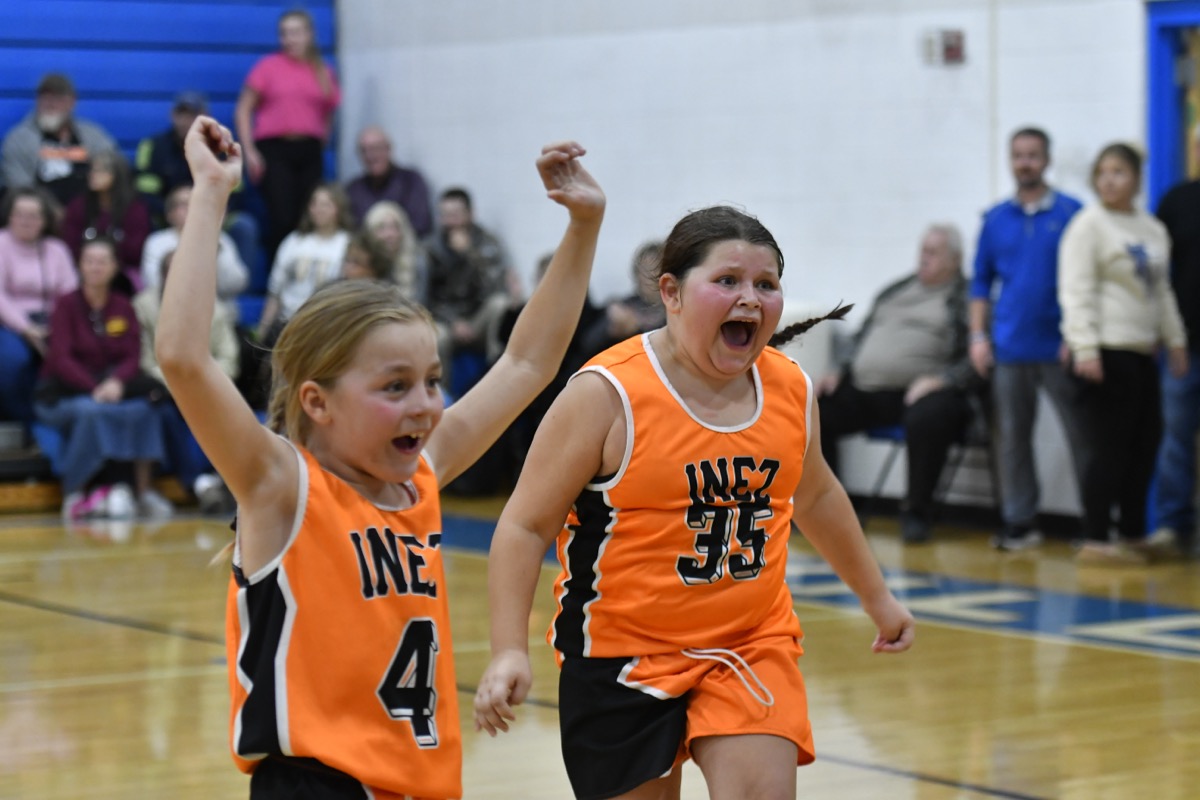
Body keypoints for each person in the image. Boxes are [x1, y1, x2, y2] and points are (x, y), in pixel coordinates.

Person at [155, 117, 605, 798]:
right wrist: (212, 192)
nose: (425, 404)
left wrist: (582, 229)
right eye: (394, 387)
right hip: (317, 783)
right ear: (317, 401)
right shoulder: (282, 488)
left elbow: (527, 360)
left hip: (417, 782)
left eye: (429, 381)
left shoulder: (421, 475)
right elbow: (183, 360)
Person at [473, 205, 913, 800]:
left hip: (750, 642)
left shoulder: (790, 388)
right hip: (622, 654)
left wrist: (879, 599)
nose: (750, 298)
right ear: (671, 293)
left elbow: (816, 494)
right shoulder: (607, 394)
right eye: (727, 281)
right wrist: (507, 651)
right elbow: (525, 525)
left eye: (766, 284)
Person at [1059, 142, 1189, 565]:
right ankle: (1095, 536)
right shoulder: (1088, 226)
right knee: (1107, 447)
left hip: (1141, 351)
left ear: (1135, 178)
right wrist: (1084, 346)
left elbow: (1162, 291)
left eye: (1118, 172)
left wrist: (1176, 340)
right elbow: (1075, 290)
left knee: (1144, 444)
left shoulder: (1151, 228)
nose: (1109, 180)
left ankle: (1133, 533)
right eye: (1103, 173)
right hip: (1105, 351)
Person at [817, 224, 981, 544]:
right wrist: (838, 370)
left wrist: (941, 380)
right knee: (815, 410)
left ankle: (917, 513)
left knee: (928, 415)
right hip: (867, 390)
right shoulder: (896, 290)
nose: (924, 258)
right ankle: (828, 511)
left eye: (934, 253)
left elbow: (976, 357)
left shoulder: (966, 298)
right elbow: (859, 335)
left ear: (956, 260)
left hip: (926, 392)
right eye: (923, 250)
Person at [969, 127, 1089, 551]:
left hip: (1062, 347)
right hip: (1011, 346)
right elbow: (980, 284)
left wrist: (1079, 336)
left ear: (1047, 160)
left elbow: (1086, 281)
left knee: (1083, 436)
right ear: (1010, 160)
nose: (1025, 163)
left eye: (1033, 155)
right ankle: (1020, 521)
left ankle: (1095, 523)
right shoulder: (995, 219)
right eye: (1018, 155)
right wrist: (979, 338)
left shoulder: (1075, 213)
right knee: (1013, 438)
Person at [34, 236, 173, 520]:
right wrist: (95, 388)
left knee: (144, 410)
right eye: (89, 261)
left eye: (102, 262)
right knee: (92, 412)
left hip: (111, 388)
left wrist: (117, 383)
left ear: (114, 268)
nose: (95, 267)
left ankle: (142, 492)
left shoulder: (123, 305)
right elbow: (60, 358)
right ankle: (74, 491)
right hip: (63, 393)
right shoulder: (65, 305)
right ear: (80, 266)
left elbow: (133, 355)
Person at [134, 248, 239, 510]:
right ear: (162, 276)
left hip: (206, 387)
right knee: (165, 413)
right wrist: (181, 382)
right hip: (164, 388)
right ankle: (198, 485)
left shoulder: (217, 308)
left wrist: (203, 380)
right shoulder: (142, 306)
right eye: (172, 272)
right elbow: (145, 360)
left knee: (231, 409)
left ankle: (229, 483)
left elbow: (230, 357)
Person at [235, 8, 341, 262]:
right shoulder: (268, 68)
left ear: (309, 34)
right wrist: (250, 152)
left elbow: (329, 110)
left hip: (309, 150)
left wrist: (322, 138)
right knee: (282, 217)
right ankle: (280, 278)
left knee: (308, 216)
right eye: (284, 34)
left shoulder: (323, 71)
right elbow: (243, 110)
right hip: (274, 149)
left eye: (295, 32)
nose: (289, 39)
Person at [134, 90, 260, 271]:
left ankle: (240, 290)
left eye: (193, 114)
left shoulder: (223, 146)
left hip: (215, 215)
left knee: (245, 226)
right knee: (143, 218)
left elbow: (236, 192)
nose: (187, 120)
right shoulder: (153, 146)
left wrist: (214, 213)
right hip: (168, 216)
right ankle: (156, 284)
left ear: (205, 117)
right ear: (173, 116)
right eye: (182, 114)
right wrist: (174, 213)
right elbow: (145, 191)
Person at [1148, 125, 1200, 557]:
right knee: (1176, 440)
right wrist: (1163, 334)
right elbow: (1157, 279)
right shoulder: (1176, 202)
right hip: (1184, 347)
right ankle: (1173, 526)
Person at [424, 187, 516, 392]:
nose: (451, 222)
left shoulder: (486, 243)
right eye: (445, 215)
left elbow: (495, 288)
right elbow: (426, 298)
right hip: (446, 321)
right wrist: (453, 322)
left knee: (500, 305)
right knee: (439, 336)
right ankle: (441, 398)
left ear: (470, 214)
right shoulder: (431, 248)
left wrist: (469, 255)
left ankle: (499, 382)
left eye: (455, 215)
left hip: (478, 318)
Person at [0, 187, 77, 426]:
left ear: (45, 220)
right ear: (9, 216)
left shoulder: (57, 249)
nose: (25, 221)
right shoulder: (1, 243)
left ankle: (56, 421)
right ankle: (25, 420)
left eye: (33, 215)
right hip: (11, 323)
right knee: (14, 362)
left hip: (53, 321)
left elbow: (70, 292)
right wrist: (26, 328)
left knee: (70, 358)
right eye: (19, 214)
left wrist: (57, 325)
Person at [255, 182, 353, 344]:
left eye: (325, 204)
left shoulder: (348, 244)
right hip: (288, 324)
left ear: (338, 208)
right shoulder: (293, 241)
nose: (318, 209)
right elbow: (275, 293)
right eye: (314, 203)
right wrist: (262, 331)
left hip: (328, 328)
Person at [1, 72, 117, 207]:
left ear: (72, 102)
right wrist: (51, 213)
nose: (51, 105)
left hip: (88, 214)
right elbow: (19, 188)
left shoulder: (93, 136)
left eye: (58, 99)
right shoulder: (19, 139)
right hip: (41, 216)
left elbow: (113, 170)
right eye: (45, 98)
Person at [140, 185, 248, 320]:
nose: (193, 208)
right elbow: (155, 284)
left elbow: (237, 284)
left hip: (217, 319)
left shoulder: (221, 239)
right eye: (184, 204)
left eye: (198, 203)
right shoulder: (157, 242)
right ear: (170, 214)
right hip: (172, 315)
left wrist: (215, 248)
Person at [60, 149, 152, 295]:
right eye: (93, 170)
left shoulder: (135, 209)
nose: (93, 175)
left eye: (102, 170)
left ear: (117, 174)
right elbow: (69, 246)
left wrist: (107, 262)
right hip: (82, 273)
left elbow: (135, 251)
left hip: (122, 277)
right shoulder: (78, 206)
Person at [579, 239, 666, 357]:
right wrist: (610, 330)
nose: (648, 277)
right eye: (644, 270)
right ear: (636, 273)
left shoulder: (674, 310)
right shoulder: (624, 306)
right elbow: (587, 344)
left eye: (654, 270)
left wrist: (636, 329)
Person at [345, 126, 434, 236]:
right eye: (364, 150)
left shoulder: (411, 181)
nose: (370, 156)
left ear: (388, 149)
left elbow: (421, 225)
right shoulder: (353, 190)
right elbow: (348, 229)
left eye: (375, 148)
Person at [364, 200, 428, 303]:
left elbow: (422, 302)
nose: (390, 234)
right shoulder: (361, 262)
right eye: (381, 227)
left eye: (395, 227)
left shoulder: (418, 260)